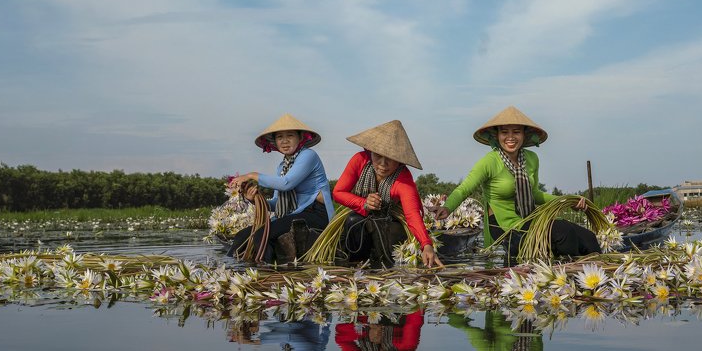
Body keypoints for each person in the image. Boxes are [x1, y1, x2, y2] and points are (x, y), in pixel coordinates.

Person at [435, 106, 600, 260]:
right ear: (496, 135)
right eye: (504, 132)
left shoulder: (531, 158)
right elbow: (464, 189)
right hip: (505, 228)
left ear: (524, 135)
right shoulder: (490, 162)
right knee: (563, 232)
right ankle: (567, 269)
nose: (510, 137)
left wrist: (567, 200)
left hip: (530, 219)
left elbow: (535, 194)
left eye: (516, 132)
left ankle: (594, 271)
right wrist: (447, 207)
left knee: (588, 238)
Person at [333, 120, 443, 268]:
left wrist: (426, 244)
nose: (383, 164)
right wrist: (363, 203)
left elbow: (412, 215)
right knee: (353, 220)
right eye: (378, 155)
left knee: (379, 229)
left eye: (390, 158)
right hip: (360, 215)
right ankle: (353, 264)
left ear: (400, 160)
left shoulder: (403, 179)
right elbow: (338, 192)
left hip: (390, 219)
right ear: (370, 151)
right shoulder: (359, 161)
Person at [227, 113, 334, 263]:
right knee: (241, 235)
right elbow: (277, 203)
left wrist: (252, 175)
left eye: (290, 135)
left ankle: (267, 271)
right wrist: (256, 199)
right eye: (279, 137)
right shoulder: (282, 167)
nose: (284, 141)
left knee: (260, 235)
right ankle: (229, 267)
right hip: (295, 213)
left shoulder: (308, 156)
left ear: (300, 138)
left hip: (316, 213)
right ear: (275, 142)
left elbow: (286, 183)